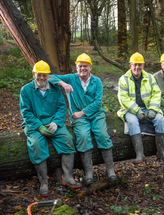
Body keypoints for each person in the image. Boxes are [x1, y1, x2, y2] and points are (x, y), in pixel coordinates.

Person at [48, 53, 117, 187]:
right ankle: (89, 173)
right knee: (84, 136)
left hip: (96, 114)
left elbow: (98, 103)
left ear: (90, 67)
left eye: (85, 66)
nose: (82, 69)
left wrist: (82, 113)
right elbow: (50, 77)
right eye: (80, 66)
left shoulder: (96, 81)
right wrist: (63, 83)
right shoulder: (71, 78)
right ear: (76, 67)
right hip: (78, 118)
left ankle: (110, 170)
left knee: (102, 134)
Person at [20, 60, 82, 197]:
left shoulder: (55, 89)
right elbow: (26, 112)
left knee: (67, 139)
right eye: (39, 74)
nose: (42, 78)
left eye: (45, 75)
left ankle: (68, 176)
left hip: (53, 123)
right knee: (36, 144)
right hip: (34, 125)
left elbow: (61, 107)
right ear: (33, 74)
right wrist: (38, 126)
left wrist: (56, 123)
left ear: (48, 75)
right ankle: (44, 183)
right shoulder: (26, 90)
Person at [117, 52, 164, 164]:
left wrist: (152, 109)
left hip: (148, 107)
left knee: (160, 119)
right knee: (132, 121)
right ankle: (139, 154)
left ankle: (161, 152)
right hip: (130, 110)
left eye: (139, 65)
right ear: (130, 66)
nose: (137, 67)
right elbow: (123, 99)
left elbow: (156, 94)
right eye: (134, 64)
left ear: (143, 66)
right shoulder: (124, 79)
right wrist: (137, 111)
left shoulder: (150, 78)